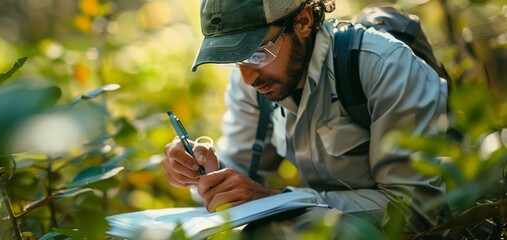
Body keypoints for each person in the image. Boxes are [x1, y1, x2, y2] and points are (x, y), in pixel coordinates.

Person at [162, 0, 448, 238]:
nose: (247, 77)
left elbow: (415, 211)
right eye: (233, 59)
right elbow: (238, 179)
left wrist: (283, 200)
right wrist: (206, 172)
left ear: (303, 21)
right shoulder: (254, 82)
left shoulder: (385, 66)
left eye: (257, 53)